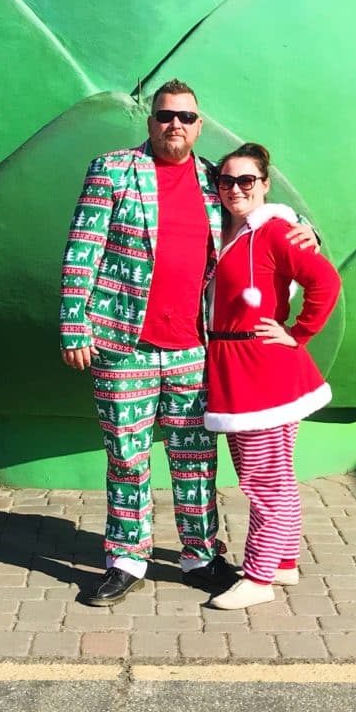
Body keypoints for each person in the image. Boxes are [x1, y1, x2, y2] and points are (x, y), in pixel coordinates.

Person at [59, 81, 316, 606]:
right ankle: (126, 558)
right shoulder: (112, 170)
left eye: (186, 117)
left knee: (195, 456)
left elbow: (259, 214)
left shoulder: (213, 180)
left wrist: (303, 227)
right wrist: (73, 323)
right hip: (122, 342)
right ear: (150, 121)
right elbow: (82, 246)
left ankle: (200, 554)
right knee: (127, 456)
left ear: (199, 125)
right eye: (165, 116)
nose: (174, 124)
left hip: (195, 349)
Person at [204, 142, 341, 611]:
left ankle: (258, 576)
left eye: (246, 180)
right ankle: (282, 563)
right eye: (227, 181)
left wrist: (299, 332)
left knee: (264, 481)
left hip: (261, 370)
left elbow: (325, 281)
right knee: (276, 476)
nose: (236, 189)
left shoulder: (275, 231)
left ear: (264, 185)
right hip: (243, 366)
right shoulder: (233, 232)